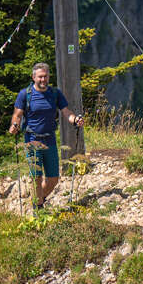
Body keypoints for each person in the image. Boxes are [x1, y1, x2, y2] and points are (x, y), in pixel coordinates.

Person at [8, 62, 84, 209]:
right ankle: (38, 208)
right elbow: (17, 114)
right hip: (31, 139)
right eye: (40, 77)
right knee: (36, 177)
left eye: (45, 76)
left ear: (49, 76)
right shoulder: (25, 94)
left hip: (50, 140)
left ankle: (38, 200)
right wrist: (14, 125)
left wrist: (75, 120)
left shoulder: (55, 93)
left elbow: (66, 112)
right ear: (33, 77)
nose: (43, 80)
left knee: (53, 179)